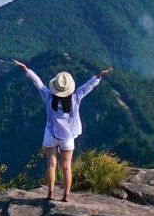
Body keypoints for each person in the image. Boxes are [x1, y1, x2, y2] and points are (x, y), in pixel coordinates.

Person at [13, 59, 113, 202]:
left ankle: (51, 193)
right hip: (67, 137)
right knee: (66, 167)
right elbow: (88, 86)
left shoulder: (48, 97)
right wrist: (99, 76)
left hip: (51, 134)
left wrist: (27, 70)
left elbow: (38, 83)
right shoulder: (76, 98)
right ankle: (66, 195)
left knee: (51, 165)